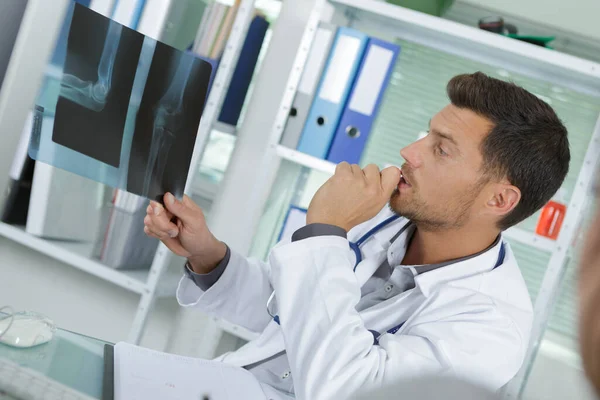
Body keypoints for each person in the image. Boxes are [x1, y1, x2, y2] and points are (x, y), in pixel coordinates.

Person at [144, 72, 570, 400]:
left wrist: (324, 233)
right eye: (426, 134)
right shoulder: (384, 222)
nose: (410, 152)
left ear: (499, 199)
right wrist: (210, 258)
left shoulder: (490, 330)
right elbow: (292, 311)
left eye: (441, 149)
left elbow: (346, 390)